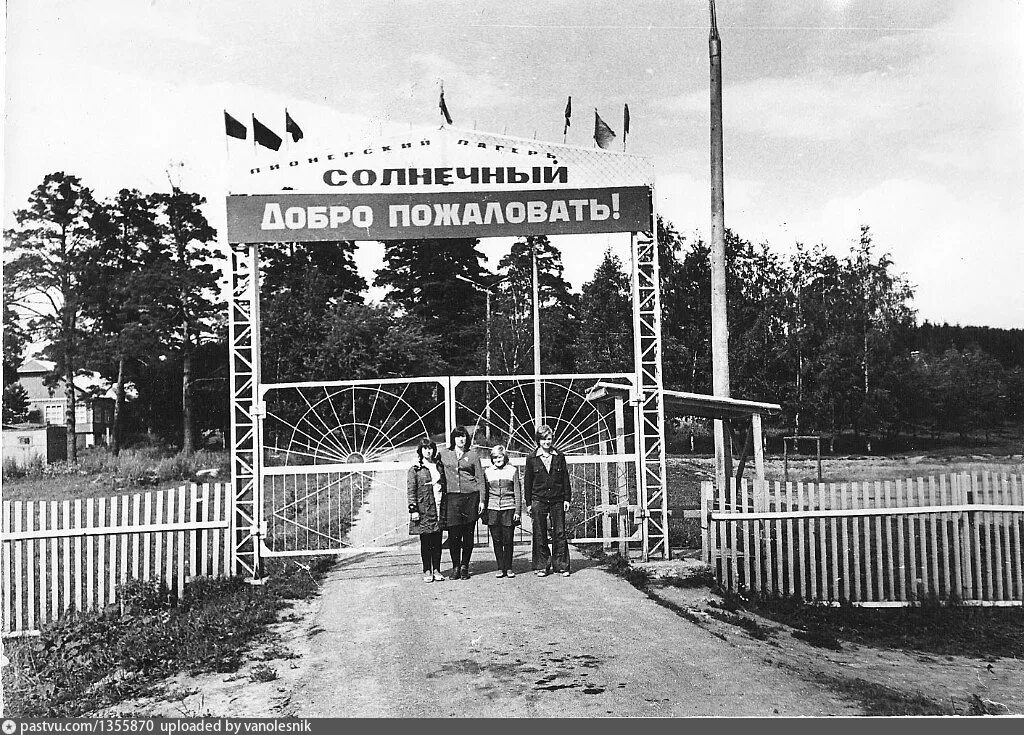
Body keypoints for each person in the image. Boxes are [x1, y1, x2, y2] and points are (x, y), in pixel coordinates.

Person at [437, 426, 486, 579]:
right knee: (454, 535)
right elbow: (435, 468)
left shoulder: (473, 455)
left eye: (464, 436)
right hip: (452, 498)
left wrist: (482, 500)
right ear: (453, 438)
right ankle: (455, 566)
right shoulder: (444, 454)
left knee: (468, 534)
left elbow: (480, 479)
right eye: (458, 436)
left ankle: (465, 565)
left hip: (470, 498)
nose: (461, 439)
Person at [524, 424, 572, 577]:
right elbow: (528, 481)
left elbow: (565, 478)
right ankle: (542, 565)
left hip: (557, 498)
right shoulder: (532, 458)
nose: (547, 442)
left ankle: (561, 565)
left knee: (559, 532)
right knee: (540, 532)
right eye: (543, 439)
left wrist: (567, 499)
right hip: (538, 499)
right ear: (538, 440)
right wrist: (528, 503)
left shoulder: (559, 456)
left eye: (549, 439)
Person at [407, 437, 447, 582]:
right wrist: (413, 510)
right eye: (425, 448)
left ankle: (437, 569)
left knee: (437, 540)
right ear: (420, 451)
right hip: (423, 507)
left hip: (438, 505)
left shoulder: (438, 465)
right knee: (426, 540)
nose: (428, 451)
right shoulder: (416, 469)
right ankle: (427, 570)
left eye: (430, 448)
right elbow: (411, 490)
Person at [482, 444, 522, 578]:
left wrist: (517, 511)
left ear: (504, 457)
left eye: (500, 457)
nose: (497, 459)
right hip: (493, 509)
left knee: (508, 539)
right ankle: (500, 567)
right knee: (496, 540)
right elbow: (486, 493)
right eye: (494, 457)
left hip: (508, 509)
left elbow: (517, 492)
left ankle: (509, 567)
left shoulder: (512, 471)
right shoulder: (488, 472)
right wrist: (485, 511)